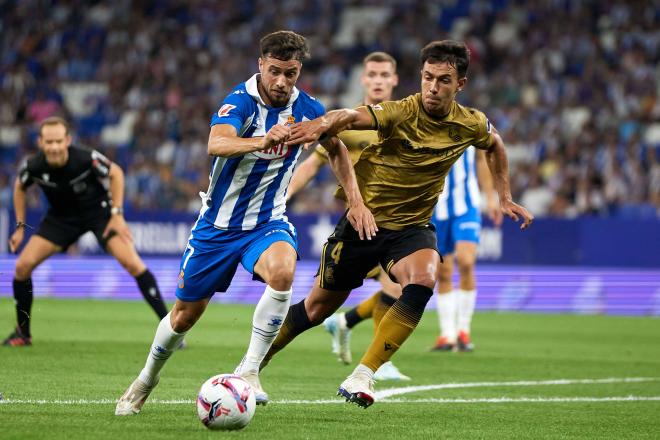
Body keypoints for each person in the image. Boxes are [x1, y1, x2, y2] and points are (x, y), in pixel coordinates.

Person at [259, 40, 534, 408]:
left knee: (423, 279)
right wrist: (322, 123)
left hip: (412, 228)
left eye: (443, 80)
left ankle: (364, 373)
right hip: (363, 223)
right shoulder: (401, 111)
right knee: (315, 309)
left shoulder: (469, 123)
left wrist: (502, 195)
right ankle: (252, 365)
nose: (433, 87)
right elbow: (352, 116)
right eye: (427, 78)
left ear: (460, 84)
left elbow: (495, 144)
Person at [115, 30, 375, 415]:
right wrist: (262, 141)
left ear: (299, 70)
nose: (282, 82)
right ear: (260, 65)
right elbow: (216, 143)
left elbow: (335, 148)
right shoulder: (239, 102)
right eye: (275, 72)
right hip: (217, 228)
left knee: (284, 271)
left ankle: (250, 370)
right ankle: (146, 378)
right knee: (185, 315)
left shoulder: (308, 108)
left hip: (267, 222)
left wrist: (355, 201)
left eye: (291, 73)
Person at [288, 51, 409, 381]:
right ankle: (341, 326)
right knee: (318, 303)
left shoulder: (404, 119)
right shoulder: (348, 120)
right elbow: (312, 165)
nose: (379, 80)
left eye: (385, 75)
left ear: (394, 80)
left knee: (399, 286)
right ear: (364, 79)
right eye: (373, 74)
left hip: (395, 223)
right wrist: (282, 198)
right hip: (356, 226)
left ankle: (368, 352)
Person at [3, 116, 171, 346]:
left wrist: (117, 214)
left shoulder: (84, 158)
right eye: (49, 142)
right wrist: (20, 227)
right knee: (22, 267)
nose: (54, 147)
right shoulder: (34, 166)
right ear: (40, 143)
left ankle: (170, 331)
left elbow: (116, 173)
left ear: (67, 140)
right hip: (61, 219)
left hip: (99, 215)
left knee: (133, 264)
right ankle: (23, 333)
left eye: (58, 141)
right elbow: (19, 186)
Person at [431, 147, 503, 352]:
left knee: (466, 261)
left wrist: (490, 197)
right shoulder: (426, 122)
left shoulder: (471, 121)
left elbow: (482, 159)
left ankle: (463, 330)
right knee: (442, 272)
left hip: (467, 206)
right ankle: (447, 335)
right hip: (436, 209)